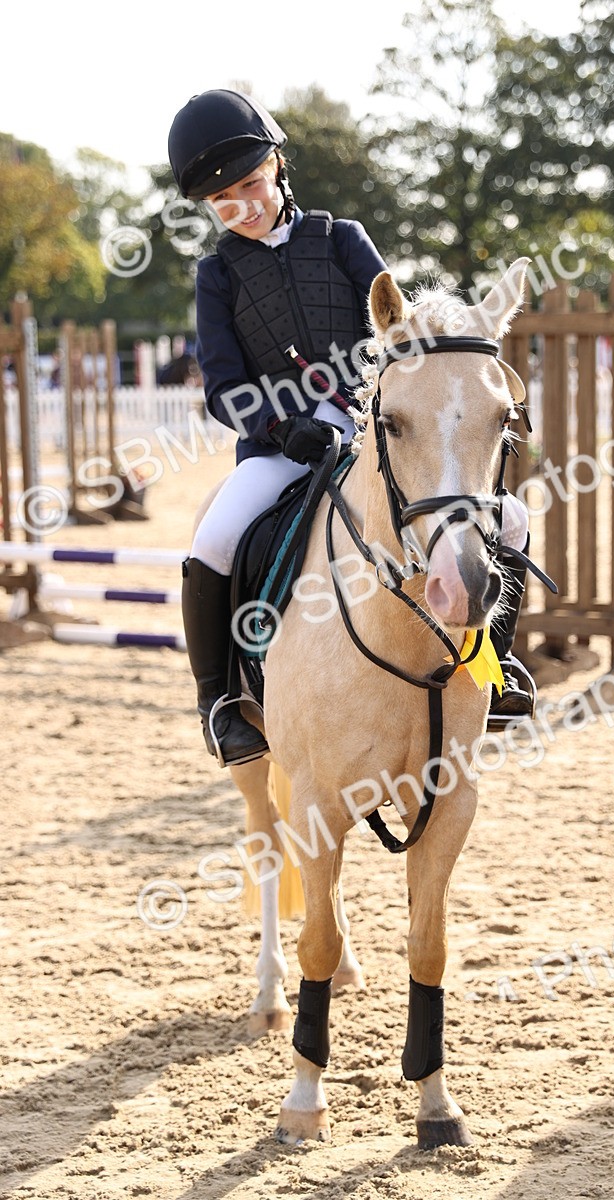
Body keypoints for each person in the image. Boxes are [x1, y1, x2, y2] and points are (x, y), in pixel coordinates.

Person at [168, 88, 534, 767]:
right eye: (223, 201)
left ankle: (495, 665)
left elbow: (402, 330)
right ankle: (218, 701)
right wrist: (283, 431)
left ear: (278, 167)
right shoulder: (216, 275)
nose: (243, 205)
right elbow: (222, 389)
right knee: (215, 537)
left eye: (252, 184)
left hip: (377, 434)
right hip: (281, 449)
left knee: (508, 520)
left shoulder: (341, 239)